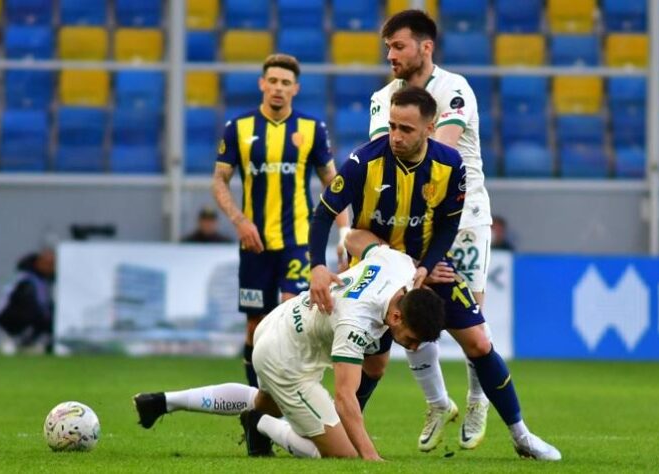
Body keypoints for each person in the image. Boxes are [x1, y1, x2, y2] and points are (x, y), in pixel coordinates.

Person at [309, 86, 561, 461]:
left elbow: (447, 226)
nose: (395, 136)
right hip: (377, 271)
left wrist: (427, 266)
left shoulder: (450, 165)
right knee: (375, 365)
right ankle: (337, 438)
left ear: (429, 128)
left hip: (428, 267)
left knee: (479, 342)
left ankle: (521, 435)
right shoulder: (364, 161)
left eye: (406, 129)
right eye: (392, 126)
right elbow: (324, 213)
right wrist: (317, 265)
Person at [133, 237, 446, 460]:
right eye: (412, 339)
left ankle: (162, 402)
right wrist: (371, 458)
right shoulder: (356, 321)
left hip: (280, 322)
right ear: (396, 316)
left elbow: (354, 237)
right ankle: (259, 423)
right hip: (287, 361)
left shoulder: (400, 265)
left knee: (264, 401)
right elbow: (344, 398)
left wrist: (344, 242)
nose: (412, 346)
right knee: (345, 454)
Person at [364, 9, 496, 450]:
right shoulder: (383, 98)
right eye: (388, 47)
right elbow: (380, 160)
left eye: (398, 46)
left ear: (426, 47)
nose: (390, 55)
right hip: (409, 221)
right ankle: (437, 402)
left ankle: (477, 399)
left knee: (472, 315)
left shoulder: (453, 89)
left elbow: (441, 154)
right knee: (410, 307)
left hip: (464, 216)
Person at [212, 53, 349, 388]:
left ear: (295, 89)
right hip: (255, 245)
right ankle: (255, 400)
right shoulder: (239, 128)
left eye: (285, 83)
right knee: (255, 326)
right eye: (272, 81)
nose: (278, 88)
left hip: (298, 242)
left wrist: (344, 231)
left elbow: (333, 184)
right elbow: (219, 180)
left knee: (291, 319)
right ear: (262, 84)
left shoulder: (312, 129)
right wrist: (240, 221)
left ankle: (290, 398)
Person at [0, 247, 55, 354]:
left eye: (52, 264)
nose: (50, 267)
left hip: (26, 313)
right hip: (8, 314)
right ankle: (12, 339)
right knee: (34, 311)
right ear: (38, 262)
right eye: (48, 264)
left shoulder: (45, 279)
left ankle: (31, 342)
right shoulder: (27, 279)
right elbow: (20, 301)